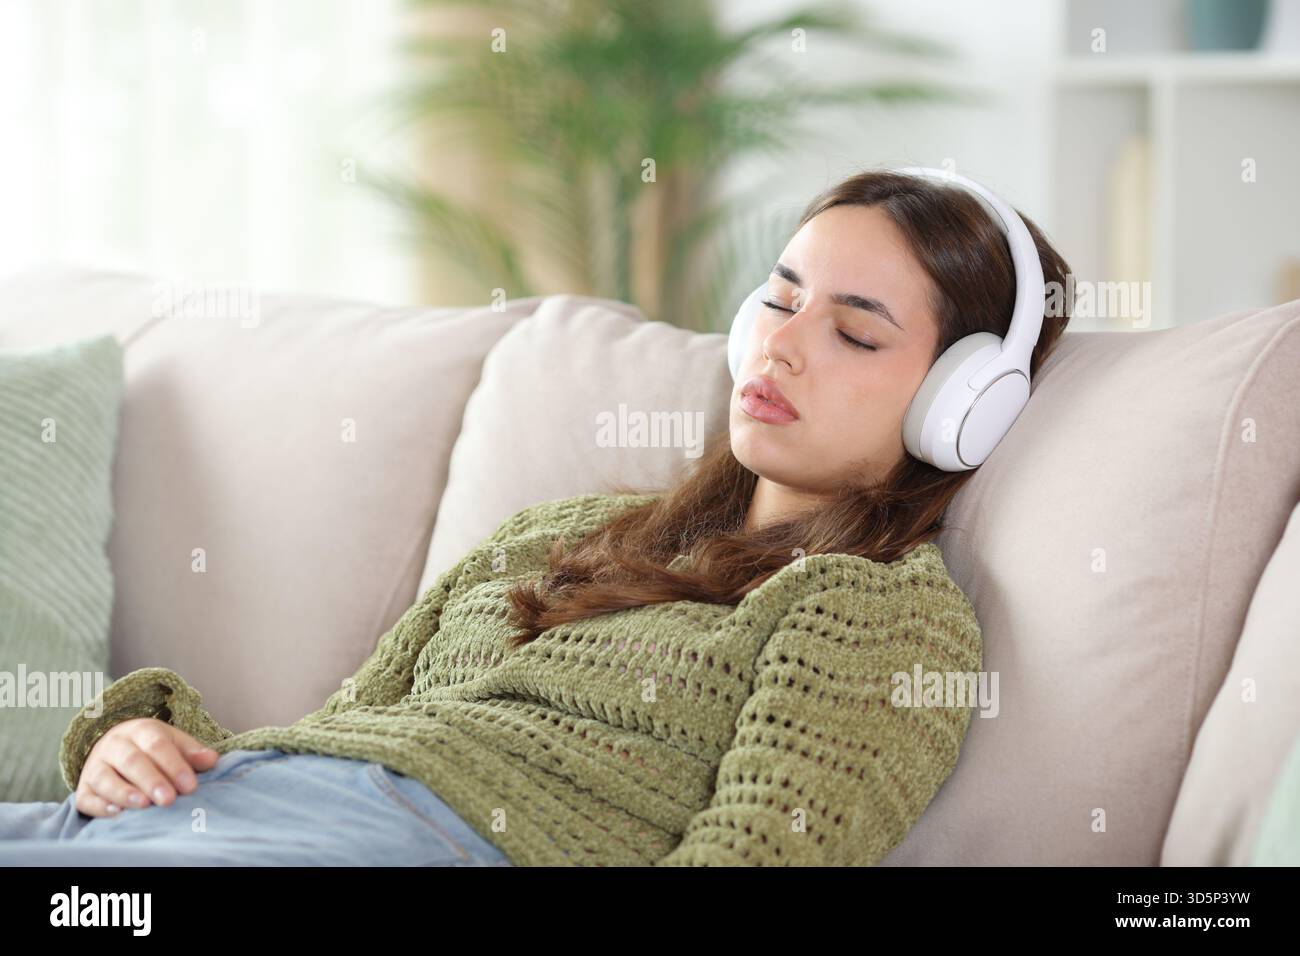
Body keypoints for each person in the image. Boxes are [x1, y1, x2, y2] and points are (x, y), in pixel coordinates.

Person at [0, 167, 1073, 866]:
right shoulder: (559, 532)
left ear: (956, 405)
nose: (783, 344)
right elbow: (344, 732)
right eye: (781, 298)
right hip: (231, 813)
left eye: (855, 330)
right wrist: (143, 744)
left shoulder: (873, 612)